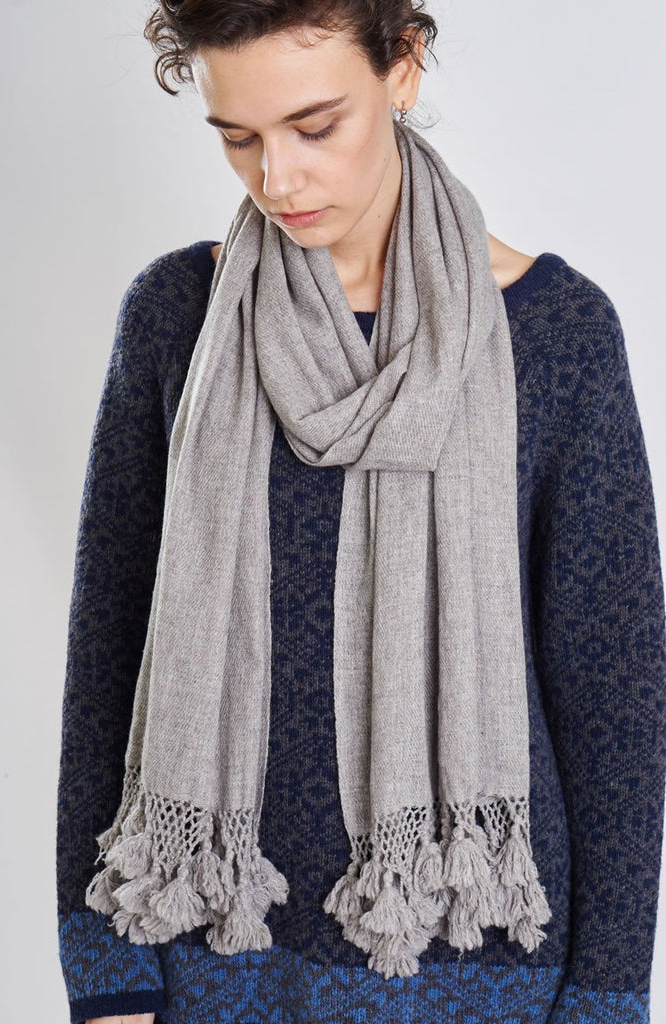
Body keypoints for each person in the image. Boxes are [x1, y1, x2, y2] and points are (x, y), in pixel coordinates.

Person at [56, 2, 666, 1023]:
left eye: (313, 126)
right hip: (209, 946)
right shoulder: (177, 318)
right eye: (237, 137)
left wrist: (605, 996)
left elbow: (616, 699)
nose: (276, 179)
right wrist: (104, 974)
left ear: (403, 67)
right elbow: (107, 650)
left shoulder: (557, 333)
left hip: (488, 961)